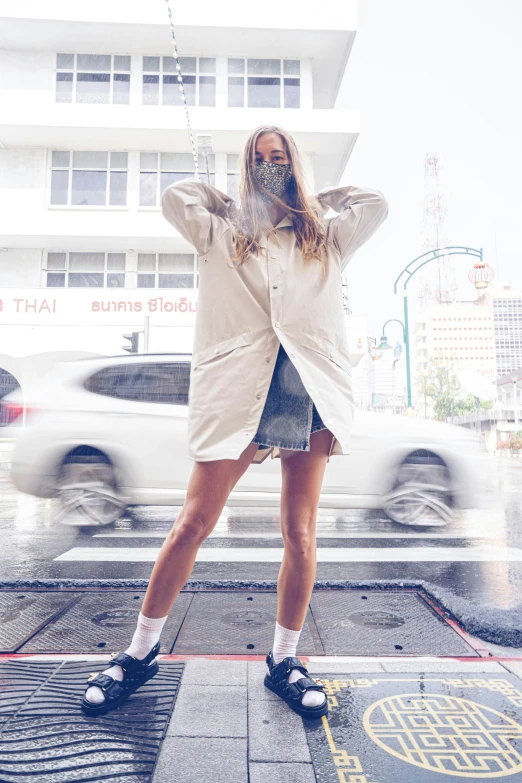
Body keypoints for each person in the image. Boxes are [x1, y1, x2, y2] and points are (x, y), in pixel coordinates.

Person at [81, 125, 387, 719]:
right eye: (259, 160)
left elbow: (375, 203)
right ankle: (139, 653)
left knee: (299, 532)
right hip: (239, 391)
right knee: (193, 521)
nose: (269, 166)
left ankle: (285, 659)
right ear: (245, 171)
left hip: (308, 388)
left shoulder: (323, 237)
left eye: (279, 158)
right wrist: (236, 197)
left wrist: (306, 197)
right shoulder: (220, 231)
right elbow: (176, 198)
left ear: (295, 165)